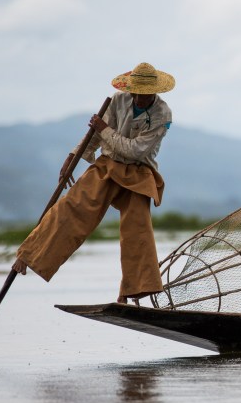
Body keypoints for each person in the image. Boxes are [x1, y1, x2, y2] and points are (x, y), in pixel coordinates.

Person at [12, 61, 175, 303]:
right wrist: (72, 157)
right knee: (71, 208)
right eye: (136, 93)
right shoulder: (118, 100)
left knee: (137, 230)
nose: (139, 99)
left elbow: (136, 151)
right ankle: (28, 256)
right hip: (108, 164)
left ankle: (130, 293)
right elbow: (94, 136)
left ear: (154, 92)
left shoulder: (163, 114)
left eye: (144, 94)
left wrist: (105, 129)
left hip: (139, 172)